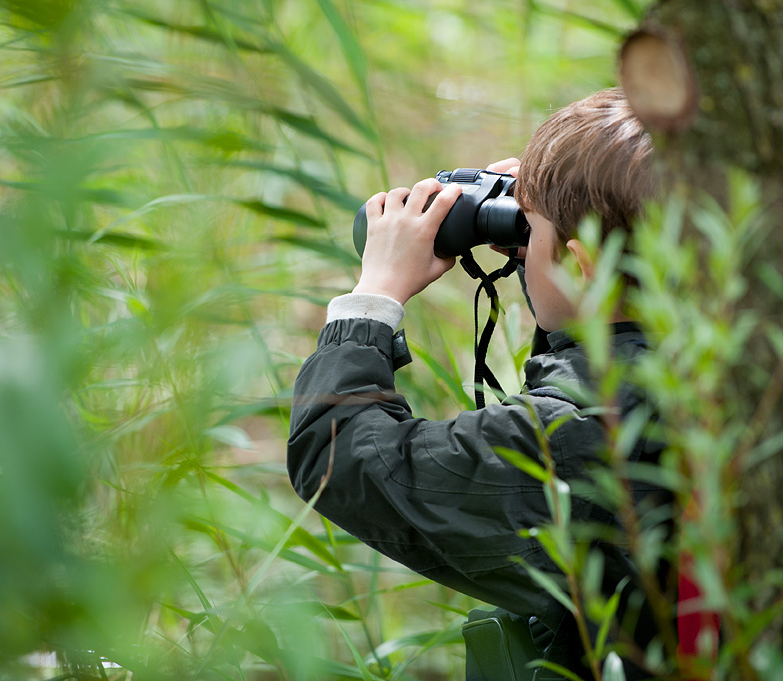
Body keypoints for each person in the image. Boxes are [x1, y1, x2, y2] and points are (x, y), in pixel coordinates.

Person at [287, 88, 672, 679]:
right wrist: (545, 235)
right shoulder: (743, 370)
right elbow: (610, 344)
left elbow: (341, 457)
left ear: (583, 266)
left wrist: (374, 299)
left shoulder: (568, 439)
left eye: (533, 234)